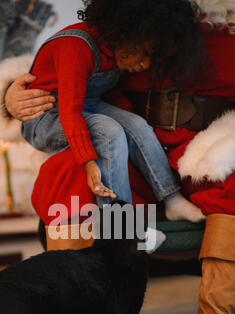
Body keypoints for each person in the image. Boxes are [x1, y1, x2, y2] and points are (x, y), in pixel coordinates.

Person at [0, 0, 235, 314]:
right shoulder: (128, 16)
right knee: (69, 177)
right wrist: (12, 93)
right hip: (127, 142)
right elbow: (70, 57)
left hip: (211, 141)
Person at [20, 0, 205, 224]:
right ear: (124, 31)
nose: (145, 65)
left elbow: (108, 94)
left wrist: (129, 119)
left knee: (137, 125)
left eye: (151, 58)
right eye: (143, 52)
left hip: (88, 105)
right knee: (109, 131)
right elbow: (70, 111)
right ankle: (117, 222)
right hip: (46, 116)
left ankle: (172, 199)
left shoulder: (117, 50)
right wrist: (88, 162)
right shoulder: (76, 47)